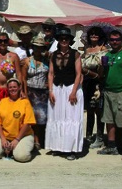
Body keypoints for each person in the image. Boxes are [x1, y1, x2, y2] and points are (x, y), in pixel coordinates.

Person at [97, 30, 122, 161]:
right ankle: (111, 146)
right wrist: (102, 66)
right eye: (112, 40)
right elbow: (102, 75)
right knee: (109, 120)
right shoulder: (108, 55)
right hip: (108, 91)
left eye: (117, 39)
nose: (114, 42)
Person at [45, 27, 83, 161]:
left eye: (66, 38)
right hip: (57, 88)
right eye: (61, 38)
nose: (64, 40)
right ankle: (57, 146)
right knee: (57, 116)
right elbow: (50, 73)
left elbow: (79, 74)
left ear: (70, 40)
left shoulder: (76, 54)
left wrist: (74, 92)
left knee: (71, 118)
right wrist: (50, 90)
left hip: (71, 87)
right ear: (58, 40)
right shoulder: (53, 55)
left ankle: (71, 149)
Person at [0, 78, 36, 162]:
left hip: (23, 136)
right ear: (7, 89)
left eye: (15, 87)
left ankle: (19, 148)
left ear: (19, 87)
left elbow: (27, 123)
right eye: (10, 87)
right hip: (5, 136)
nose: (12, 89)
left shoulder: (25, 102)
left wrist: (16, 140)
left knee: (21, 157)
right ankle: (9, 149)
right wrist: (3, 139)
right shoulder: (2, 102)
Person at [81, 26, 108, 149]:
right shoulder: (86, 50)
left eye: (96, 34)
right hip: (87, 82)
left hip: (98, 81)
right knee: (90, 109)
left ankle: (100, 137)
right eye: (92, 34)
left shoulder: (103, 49)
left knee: (99, 110)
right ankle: (88, 136)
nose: (94, 36)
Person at [21, 37, 49, 149]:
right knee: (32, 117)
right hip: (31, 91)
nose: (38, 49)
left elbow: (51, 74)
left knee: (42, 118)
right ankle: (35, 140)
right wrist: (25, 93)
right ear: (33, 47)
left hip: (43, 93)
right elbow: (23, 78)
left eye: (40, 47)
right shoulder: (27, 61)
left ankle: (41, 139)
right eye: (36, 47)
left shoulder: (46, 60)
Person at [0, 33, 23, 99]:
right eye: (0, 41)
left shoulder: (14, 56)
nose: (2, 43)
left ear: (8, 42)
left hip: (9, 91)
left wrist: (21, 90)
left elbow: (19, 74)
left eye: (5, 41)